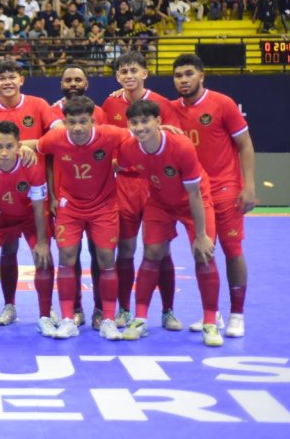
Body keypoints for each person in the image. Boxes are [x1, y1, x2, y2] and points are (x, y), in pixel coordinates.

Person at [117, 100, 223, 347]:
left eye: (146, 121)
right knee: (152, 253)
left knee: (203, 255)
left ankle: (210, 322)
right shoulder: (129, 149)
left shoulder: (181, 146)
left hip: (194, 200)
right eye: (135, 122)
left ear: (158, 121)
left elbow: (195, 194)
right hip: (159, 202)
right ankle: (140, 319)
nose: (140, 127)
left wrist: (201, 235)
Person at [28, 96, 129, 340]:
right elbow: (38, 145)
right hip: (70, 207)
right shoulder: (56, 137)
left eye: (83, 121)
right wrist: (16, 146)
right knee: (66, 258)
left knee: (106, 259)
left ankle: (107, 319)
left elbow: (139, 135)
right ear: (64, 122)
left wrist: (163, 130)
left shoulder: (111, 134)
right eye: (72, 122)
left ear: (93, 121)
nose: (78, 128)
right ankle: (67, 319)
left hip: (104, 207)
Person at [171, 54, 255, 337]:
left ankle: (237, 315)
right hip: (195, 194)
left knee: (233, 251)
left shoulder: (223, 103)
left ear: (201, 75)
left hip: (225, 189)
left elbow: (244, 145)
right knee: (203, 254)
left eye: (189, 74)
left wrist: (249, 186)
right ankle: (212, 314)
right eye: (178, 75)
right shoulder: (170, 110)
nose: (183, 80)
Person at [0, 60, 54, 325]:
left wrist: (27, 147)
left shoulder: (38, 104)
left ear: (21, 79)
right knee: (0, 252)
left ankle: (46, 314)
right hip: (0, 201)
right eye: (1, 78)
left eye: (11, 77)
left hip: (32, 194)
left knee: (44, 254)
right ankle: (4, 308)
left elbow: (58, 135)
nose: (7, 82)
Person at [101, 51, 182, 331]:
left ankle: (168, 311)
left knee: (160, 250)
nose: (129, 76)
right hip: (123, 183)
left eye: (134, 70)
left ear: (145, 73)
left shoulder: (162, 104)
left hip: (155, 185)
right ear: (117, 77)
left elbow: (175, 141)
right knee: (125, 249)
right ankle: (124, 309)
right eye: (123, 72)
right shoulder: (110, 103)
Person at [0, 121, 52, 336]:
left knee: (44, 259)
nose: (4, 152)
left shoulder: (32, 165)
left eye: (10, 146)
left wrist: (43, 242)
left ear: (19, 146)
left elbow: (39, 207)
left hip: (28, 217)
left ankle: (45, 315)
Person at [48, 64, 107, 328]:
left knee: (100, 255)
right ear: (61, 84)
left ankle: (100, 309)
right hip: (65, 199)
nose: (73, 83)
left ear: (87, 84)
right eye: (68, 80)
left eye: (78, 79)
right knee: (69, 256)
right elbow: (46, 157)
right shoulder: (49, 112)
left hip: (99, 199)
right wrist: (51, 195)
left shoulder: (101, 114)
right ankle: (75, 309)